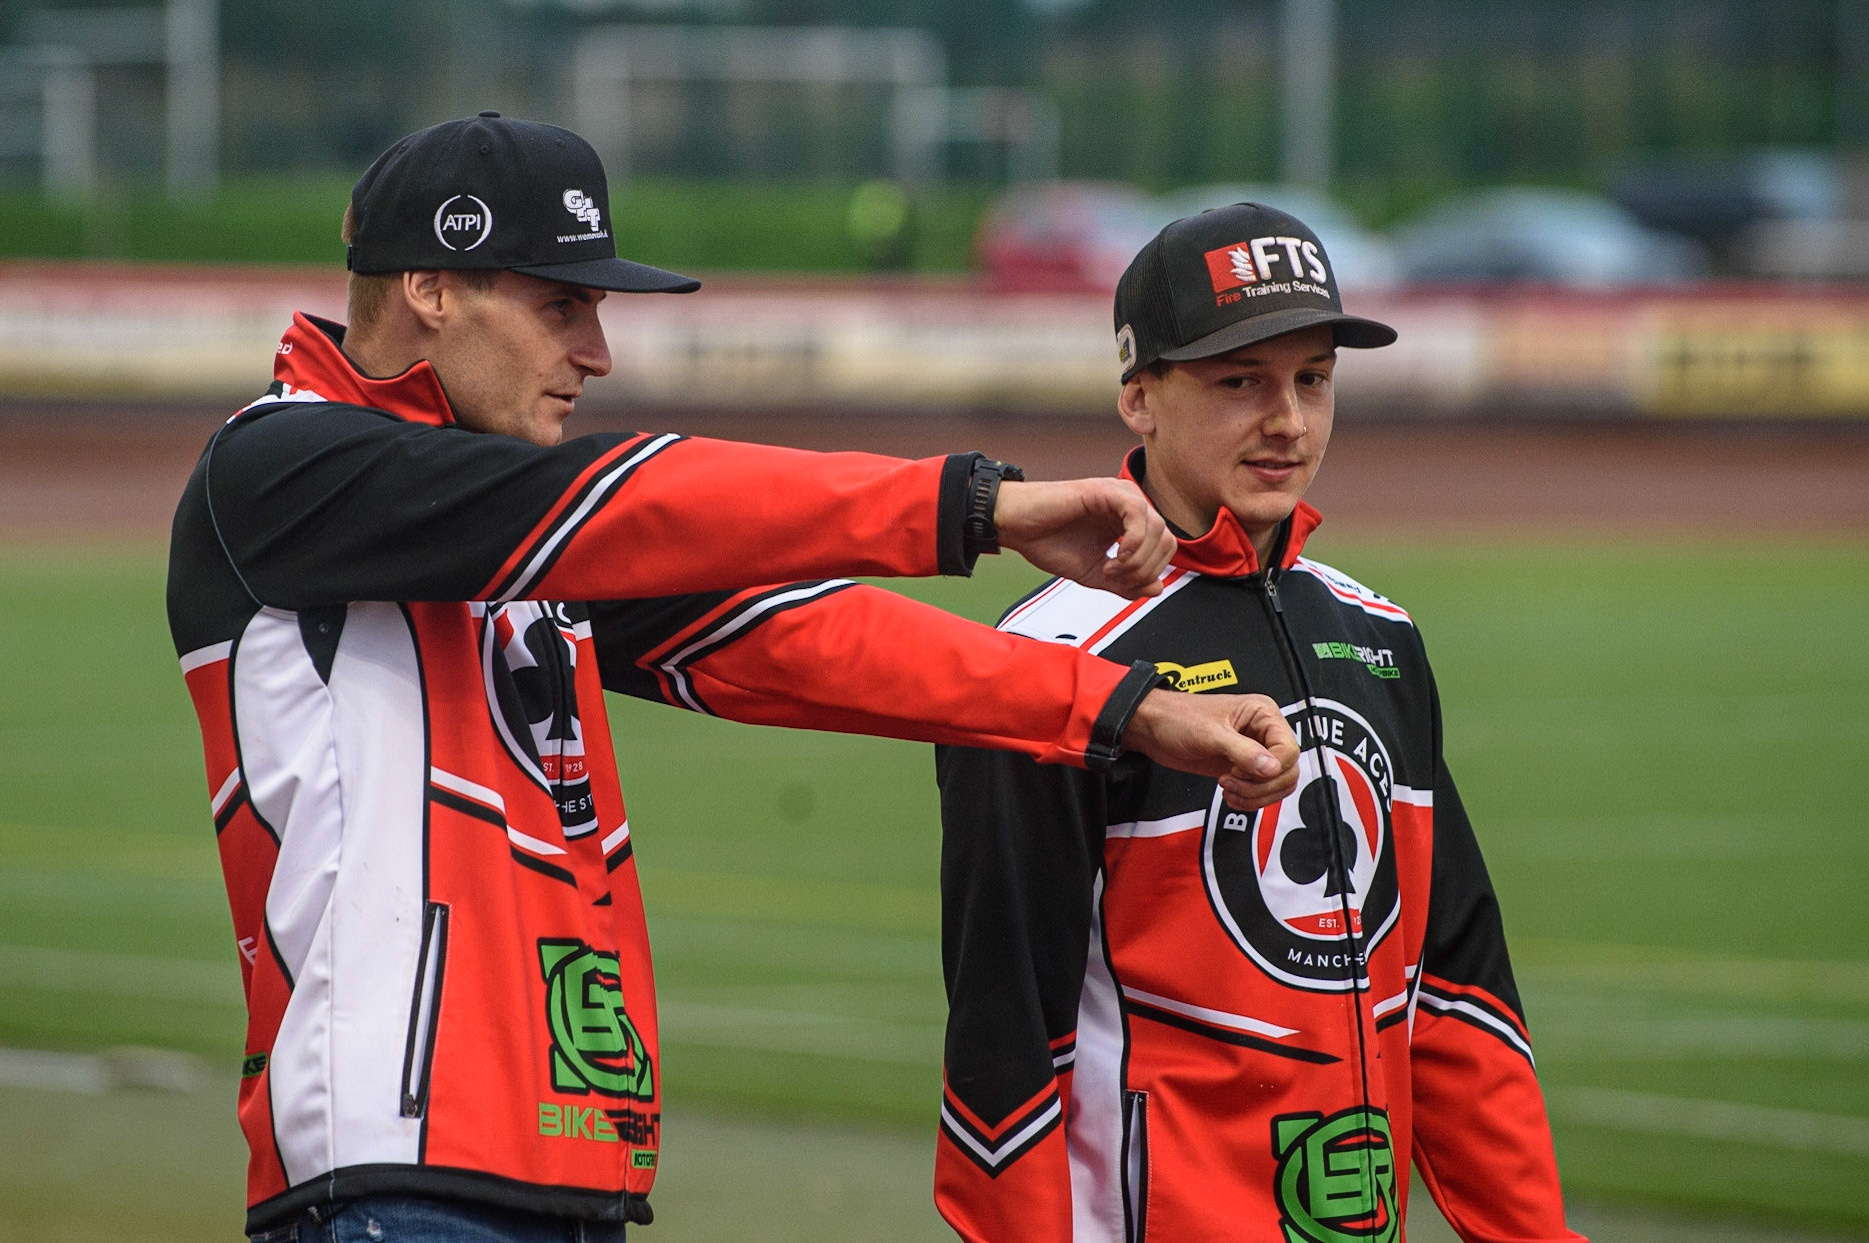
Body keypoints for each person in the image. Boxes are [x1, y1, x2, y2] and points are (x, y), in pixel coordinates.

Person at [166, 114, 1302, 1243]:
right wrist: (976, 506)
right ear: (431, 287)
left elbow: (810, 645)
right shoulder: (280, 465)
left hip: (554, 1179)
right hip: (385, 1183)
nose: (597, 352)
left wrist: (1133, 710)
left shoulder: (529, 528)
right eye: (563, 305)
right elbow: (652, 498)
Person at [933, 203, 1585, 1242]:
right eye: (1242, 381)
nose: (1288, 420)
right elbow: (1005, 1028)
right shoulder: (1046, 661)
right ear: (1138, 398)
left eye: (1313, 379)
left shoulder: (1380, 636)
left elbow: (1455, 981)